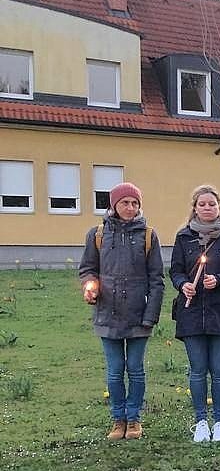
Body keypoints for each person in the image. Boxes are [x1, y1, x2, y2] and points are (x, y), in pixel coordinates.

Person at [79, 182, 165, 440]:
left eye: (135, 203)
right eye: (125, 202)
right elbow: (88, 269)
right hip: (108, 314)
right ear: (114, 205)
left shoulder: (148, 236)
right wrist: (90, 286)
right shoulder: (97, 234)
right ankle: (118, 419)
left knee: (135, 368)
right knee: (115, 370)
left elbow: (157, 279)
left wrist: (151, 315)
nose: (130, 207)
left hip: (139, 315)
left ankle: (134, 418)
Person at [169, 185, 220, 443]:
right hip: (191, 313)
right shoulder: (184, 237)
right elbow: (175, 271)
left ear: (219, 206)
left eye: (211, 204)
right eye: (202, 204)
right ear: (194, 207)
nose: (207, 208)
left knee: (218, 369)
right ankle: (201, 421)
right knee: (197, 369)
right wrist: (183, 284)